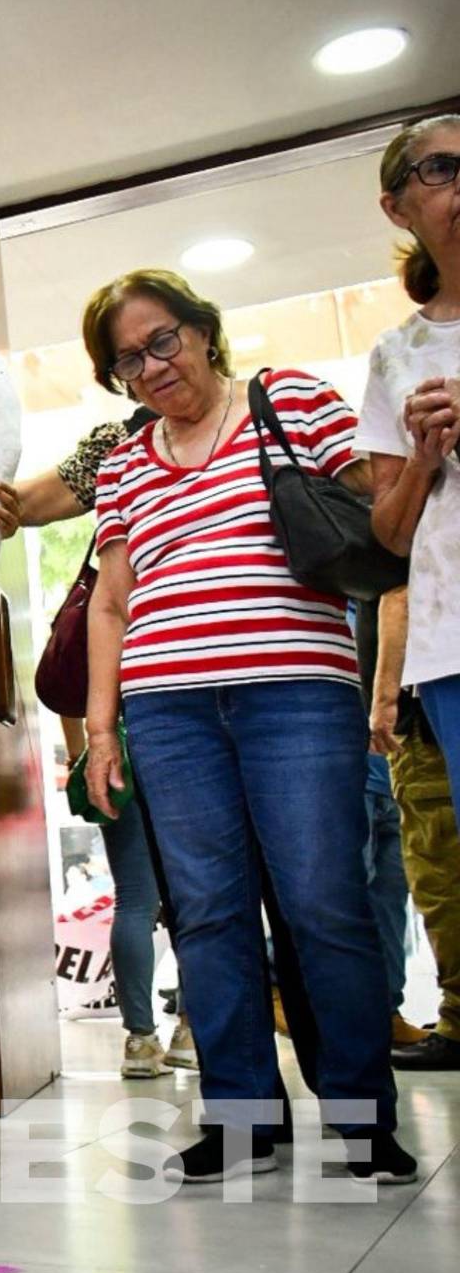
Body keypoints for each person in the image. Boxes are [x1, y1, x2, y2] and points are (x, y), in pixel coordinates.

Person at [81, 268, 412, 1186]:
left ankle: (359, 1117)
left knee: (324, 905)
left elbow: (381, 522)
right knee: (208, 914)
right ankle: (241, 1118)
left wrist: (422, 460)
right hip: (166, 711)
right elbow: (113, 604)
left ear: (202, 331)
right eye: (126, 361)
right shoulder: (122, 462)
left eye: (162, 341)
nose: (151, 367)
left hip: (297, 696)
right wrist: (101, 731)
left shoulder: (290, 400)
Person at [0, 412, 194, 1078]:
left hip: (121, 729)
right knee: (205, 891)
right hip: (191, 710)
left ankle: (140, 1038)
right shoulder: (181, 466)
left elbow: (25, 506)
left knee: (136, 897)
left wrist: (90, 744)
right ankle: (196, 1028)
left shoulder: (115, 460)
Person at [359, 112, 460, 1070]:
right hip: (451, 645)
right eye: (442, 169)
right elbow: (387, 536)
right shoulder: (396, 357)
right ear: (400, 205)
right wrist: (426, 459)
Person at [370, 586, 460, 1068]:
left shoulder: (416, 517)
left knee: (439, 872)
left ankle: (459, 1022)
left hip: (430, 717)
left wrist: (384, 697)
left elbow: (398, 596)